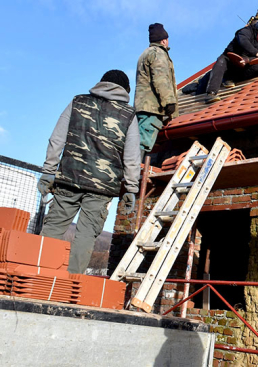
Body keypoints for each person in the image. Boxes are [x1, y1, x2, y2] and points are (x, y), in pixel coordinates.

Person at [37, 70, 140, 274]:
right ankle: (70, 285)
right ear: (126, 90)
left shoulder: (77, 102)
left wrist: (48, 171)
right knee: (86, 235)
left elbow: (56, 139)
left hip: (69, 179)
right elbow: (131, 156)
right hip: (101, 188)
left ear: (101, 83)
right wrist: (131, 188)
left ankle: (39, 275)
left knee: (53, 228)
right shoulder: (128, 115)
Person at [199, 17, 258, 103]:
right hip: (229, 59)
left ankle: (230, 79)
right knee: (220, 62)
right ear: (256, 29)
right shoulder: (245, 32)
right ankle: (211, 94)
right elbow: (244, 42)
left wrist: (248, 59)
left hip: (243, 64)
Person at [134, 23, 179, 156]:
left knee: (138, 140)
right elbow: (161, 79)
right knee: (142, 143)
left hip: (144, 106)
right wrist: (170, 102)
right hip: (151, 108)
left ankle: (133, 171)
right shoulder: (158, 53)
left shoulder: (145, 53)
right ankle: (132, 173)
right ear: (164, 40)